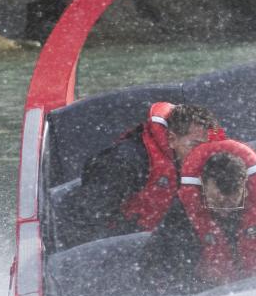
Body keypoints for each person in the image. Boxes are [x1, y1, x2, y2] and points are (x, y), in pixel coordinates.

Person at [136, 140, 256, 296]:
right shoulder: (182, 213)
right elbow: (153, 267)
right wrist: (186, 293)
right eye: (216, 202)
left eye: (231, 203)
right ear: (202, 185)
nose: (224, 212)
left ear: (246, 187)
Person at [72, 102, 220, 239]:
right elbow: (85, 219)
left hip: (154, 244)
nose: (201, 154)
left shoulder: (205, 166)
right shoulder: (127, 161)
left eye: (206, 148)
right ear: (172, 139)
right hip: (113, 244)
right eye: (194, 145)